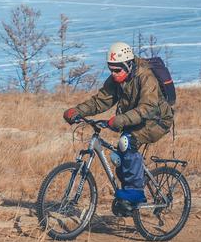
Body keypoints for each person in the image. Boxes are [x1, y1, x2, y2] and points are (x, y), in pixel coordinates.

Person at [62, 41, 174, 215]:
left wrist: (119, 120)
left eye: (117, 70)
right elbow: (101, 100)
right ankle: (126, 196)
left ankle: (134, 193)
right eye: (111, 69)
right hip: (136, 119)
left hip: (157, 120)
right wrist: (77, 111)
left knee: (126, 142)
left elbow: (147, 108)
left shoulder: (146, 77)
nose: (113, 74)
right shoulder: (117, 79)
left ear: (129, 65)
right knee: (119, 156)